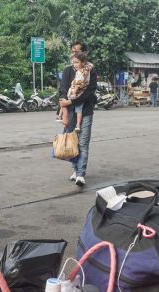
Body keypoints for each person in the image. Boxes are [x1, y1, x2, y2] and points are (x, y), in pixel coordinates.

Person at [58, 40, 98, 187]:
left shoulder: (91, 71)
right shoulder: (68, 70)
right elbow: (62, 90)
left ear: (84, 54)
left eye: (77, 51)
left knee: (83, 143)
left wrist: (70, 102)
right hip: (70, 112)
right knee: (72, 142)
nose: (74, 53)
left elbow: (90, 91)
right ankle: (75, 169)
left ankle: (81, 174)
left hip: (86, 110)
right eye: (72, 51)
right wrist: (65, 110)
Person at [57, 52, 94, 132]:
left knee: (78, 137)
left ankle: (76, 125)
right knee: (68, 133)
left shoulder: (82, 72)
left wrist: (71, 98)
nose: (74, 65)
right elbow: (62, 90)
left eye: (76, 62)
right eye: (73, 62)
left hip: (80, 100)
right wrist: (65, 114)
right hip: (72, 102)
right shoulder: (69, 70)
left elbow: (80, 86)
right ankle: (61, 116)